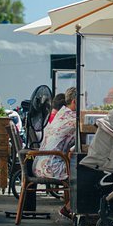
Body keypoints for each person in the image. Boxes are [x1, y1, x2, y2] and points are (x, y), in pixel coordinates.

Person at [33, 87, 78, 218]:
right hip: (51, 166)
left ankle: (73, 207)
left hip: (41, 163)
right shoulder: (72, 119)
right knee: (85, 172)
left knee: (80, 166)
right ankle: (69, 208)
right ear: (75, 101)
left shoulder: (62, 113)